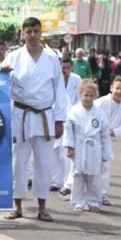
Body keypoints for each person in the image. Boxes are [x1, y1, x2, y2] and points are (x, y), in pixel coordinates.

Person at [2, 17, 67, 222]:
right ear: (22, 33)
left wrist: (59, 120)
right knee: (18, 163)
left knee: (43, 163)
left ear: (41, 33)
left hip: (44, 116)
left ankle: (42, 206)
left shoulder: (51, 58)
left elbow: (59, 90)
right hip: (20, 115)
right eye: (28, 31)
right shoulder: (13, 57)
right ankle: (17, 205)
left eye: (35, 31)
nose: (32, 35)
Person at [64, 80, 111, 213]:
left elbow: (104, 135)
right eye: (86, 95)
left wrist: (106, 152)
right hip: (79, 146)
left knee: (94, 176)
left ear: (95, 96)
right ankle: (78, 201)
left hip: (94, 147)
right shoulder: (73, 111)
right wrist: (69, 147)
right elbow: (69, 131)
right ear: (80, 94)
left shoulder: (99, 113)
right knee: (77, 175)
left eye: (91, 96)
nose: (88, 98)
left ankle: (94, 201)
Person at [94, 75, 121, 205]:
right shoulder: (100, 102)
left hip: (107, 141)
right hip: (93, 138)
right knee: (90, 167)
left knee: (105, 167)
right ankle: (87, 193)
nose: (119, 92)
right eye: (117, 88)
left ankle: (103, 194)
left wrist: (114, 132)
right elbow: (91, 116)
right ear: (111, 88)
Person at [56, 56, 82, 195]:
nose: (65, 70)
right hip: (58, 118)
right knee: (56, 153)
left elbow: (80, 98)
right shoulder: (55, 79)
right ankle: (58, 181)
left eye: (67, 68)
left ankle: (68, 182)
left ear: (71, 67)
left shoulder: (77, 79)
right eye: (63, 68)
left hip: (73, 118)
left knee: (67, 152)